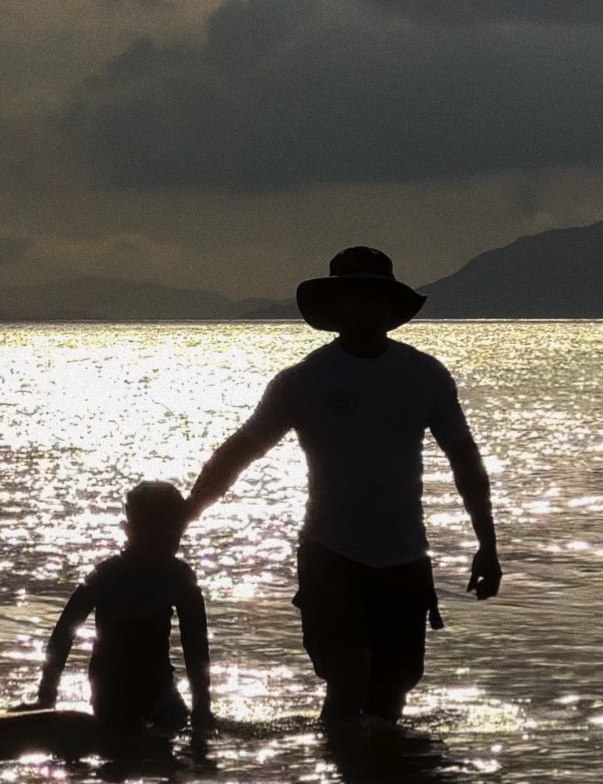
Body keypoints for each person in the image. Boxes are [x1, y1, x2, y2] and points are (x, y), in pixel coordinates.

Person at [186, 246, 500, 726]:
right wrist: (188, 514)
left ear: (391, 309)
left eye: (376, 298)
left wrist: (488, 544)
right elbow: (241, 450)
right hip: (331, 555)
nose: (365, 309)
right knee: (349, 673)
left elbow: (465, 460)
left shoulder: (425, 375)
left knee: (393, 690)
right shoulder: (303, 381)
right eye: (354, 297)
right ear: (335, 308)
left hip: (405, 559)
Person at [25, 481, 214, 731]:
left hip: (156, 691)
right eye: (158, 534)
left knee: (172, 721)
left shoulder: (179, 578)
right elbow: (63, 634)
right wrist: (46, 698)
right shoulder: (107, 575)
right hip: (112, 692)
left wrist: (202, 707)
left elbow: (196, 648)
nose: (168, 541)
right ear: (130, 530)